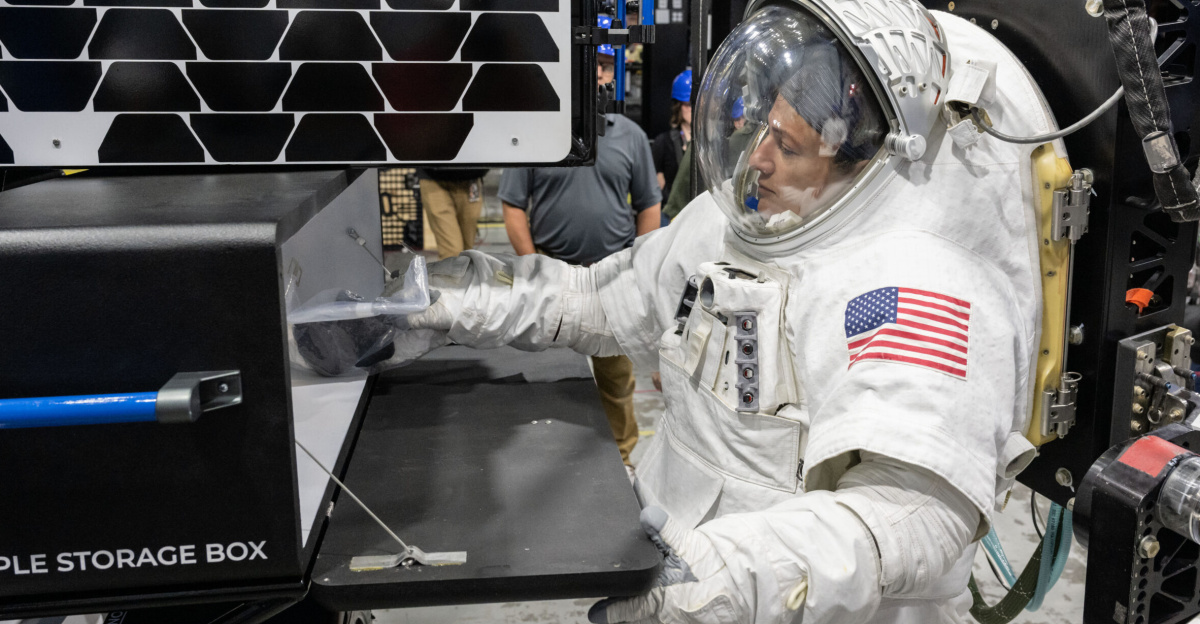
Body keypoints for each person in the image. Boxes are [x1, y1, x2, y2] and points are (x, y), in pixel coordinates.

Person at [398, 0, 1061, 621]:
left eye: (791, 148)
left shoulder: (906, 284)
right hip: (667, 540)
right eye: (766, 130)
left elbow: (918, 517)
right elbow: (598, 299)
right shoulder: (730, 222)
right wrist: (445, 308)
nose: (761, 160)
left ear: (861, 167)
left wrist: (720, 581)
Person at [497, 15, 662, 469]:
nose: (597, 75)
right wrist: (532, 267)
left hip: (613, 279)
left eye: (604, 67)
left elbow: (649, 205)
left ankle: (626, 463)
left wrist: (640, 265)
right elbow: (513, 205)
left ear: (612, 74)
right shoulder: (536, 132)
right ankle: (541, 463)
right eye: (588, 66)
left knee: (615, 382)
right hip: (553, 276)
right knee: (547, 378)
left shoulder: (631, 137)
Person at [417, 168, 489, 260]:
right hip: (433, 178)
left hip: (470, 178)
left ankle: (463, 272)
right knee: (452, 252)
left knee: (468, 252)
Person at [651, 70, 693, 213]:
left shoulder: (710, 144)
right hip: (673, 215)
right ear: (678, 106)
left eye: (696, 103)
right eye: (688, 104)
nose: (693, 109)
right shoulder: (663, 142)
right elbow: (657, 185)